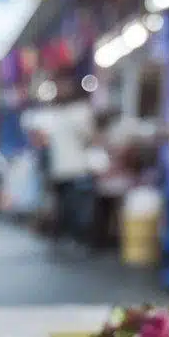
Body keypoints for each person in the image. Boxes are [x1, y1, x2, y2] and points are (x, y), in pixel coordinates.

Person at [43, 74, 94, 245]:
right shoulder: (56, 114)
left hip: (77, 169)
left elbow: (89, 137)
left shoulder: (80, 111)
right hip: (60, 170)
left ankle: (79, 238)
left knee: (78, 208)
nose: (61, 90)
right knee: (65, 207)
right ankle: (68, 237)